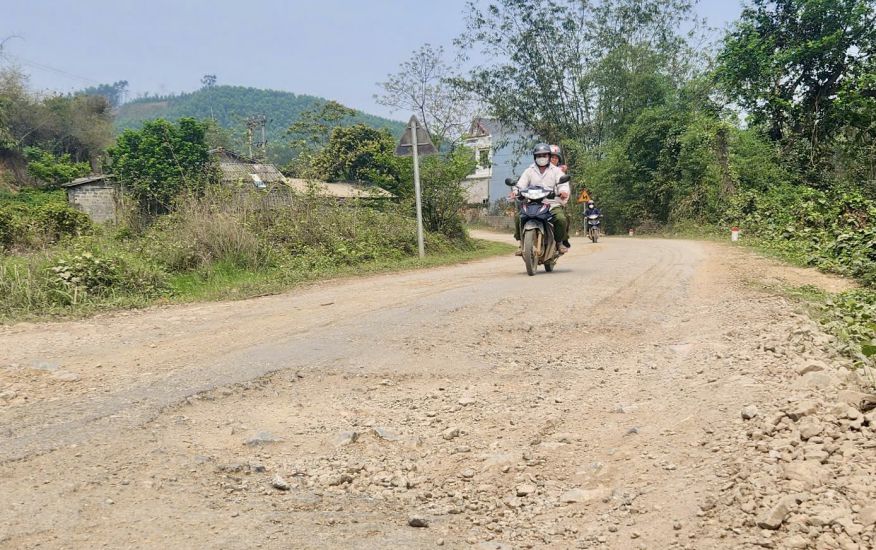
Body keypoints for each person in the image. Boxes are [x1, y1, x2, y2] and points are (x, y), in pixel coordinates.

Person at [511, 143, 571, 255]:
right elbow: (520, 185)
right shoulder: (529, 170)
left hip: (551, 203)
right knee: (518, 217)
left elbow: (563, 184)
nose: (542, 158)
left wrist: (563, 192)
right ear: (535, 157)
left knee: (561, 219)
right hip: (532, 203)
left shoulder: (557, 171)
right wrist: (515, 192)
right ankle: (521, 243)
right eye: (539, 156)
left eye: (544, 155)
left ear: (548, 156)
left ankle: (559, 243)